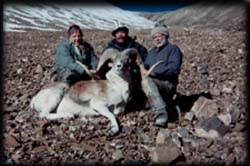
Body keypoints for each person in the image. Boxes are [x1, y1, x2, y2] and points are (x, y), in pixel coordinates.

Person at [142, 25, 183, 126]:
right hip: (154, 84)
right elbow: (145, 66)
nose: (157, 39)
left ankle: (161, 115)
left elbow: (174, 69)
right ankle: (169, 105)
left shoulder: (173, 49)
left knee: (147, 81)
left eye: (159, 36)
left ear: (165, 36)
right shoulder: (151, 53)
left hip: (167, 84)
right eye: (154, 37)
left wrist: (154, 72)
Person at [103, 26, 148, 110]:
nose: (121, 35)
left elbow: (144, 57)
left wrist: (140, 65)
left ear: (126, 34)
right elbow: (103, 63)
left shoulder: (134, 45)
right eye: (118, 33)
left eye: (123, 32)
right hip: (116, 76)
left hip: (132, 74)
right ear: (115, 35)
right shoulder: (110, 48)